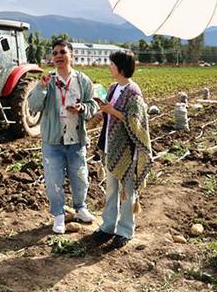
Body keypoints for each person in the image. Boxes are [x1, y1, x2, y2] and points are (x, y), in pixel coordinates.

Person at [28, 39, 99, 234]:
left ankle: (81, 208)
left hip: (76, 138)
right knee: (53, 179)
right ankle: (59, 215)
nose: (58, 56)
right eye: (55, 53)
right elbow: (33, 106)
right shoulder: (47, 81)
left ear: (71, 55)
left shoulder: (82, 80)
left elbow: (93, 106)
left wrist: (82, 108)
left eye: (62, 52)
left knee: (80, 176)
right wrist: (41, 88)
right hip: (53, 140)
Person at [92, 50, 152, 249]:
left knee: (126, 193)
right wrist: (104, 110)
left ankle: (125, 230)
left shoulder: (133, 91)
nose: (109, 66)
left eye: (112, 64)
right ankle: (108, 226)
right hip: (111, 147)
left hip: (127, 150)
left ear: (121, 67)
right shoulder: (113, 87)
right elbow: (111, 113)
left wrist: (113, 111)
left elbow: (136, 122)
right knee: (111, 189)